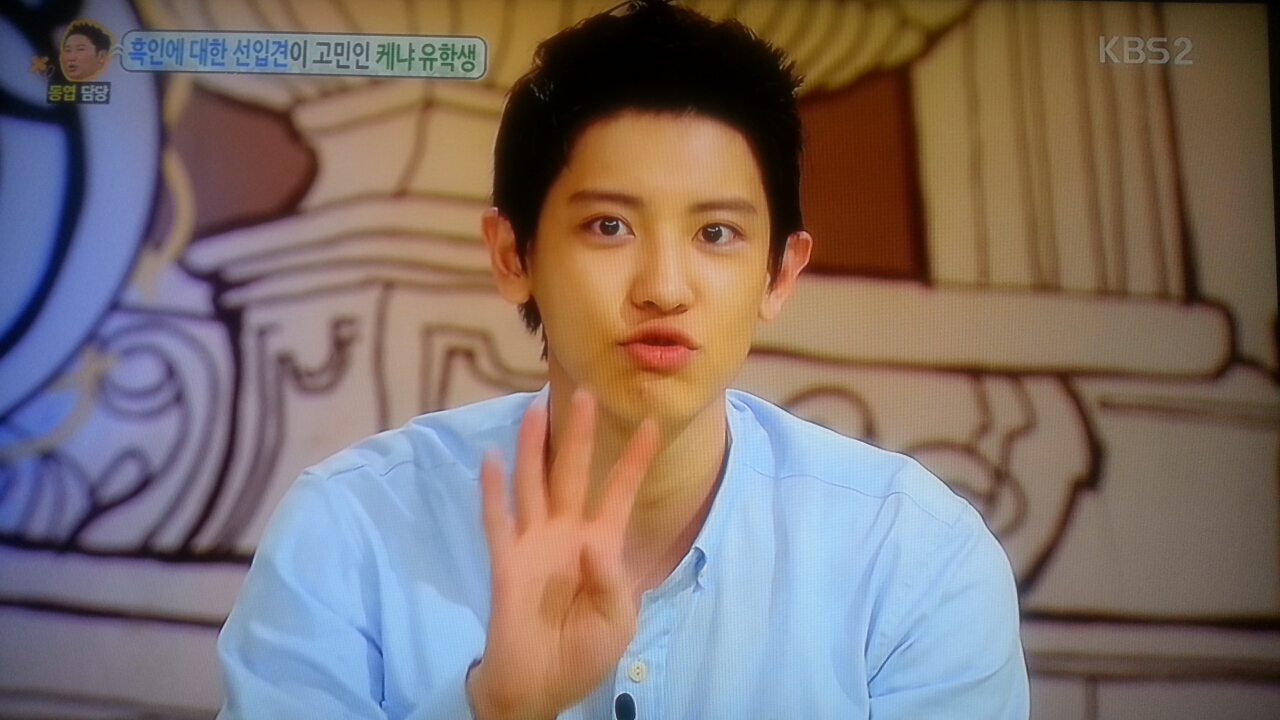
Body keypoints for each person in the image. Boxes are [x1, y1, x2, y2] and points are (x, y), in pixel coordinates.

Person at [216, 1, 1029, 718]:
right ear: (513, 254)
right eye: (609, 226)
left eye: (716, 233)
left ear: (780, 274)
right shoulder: (349, 531)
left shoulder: (913, 558)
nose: (664, 288)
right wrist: (495, 711)